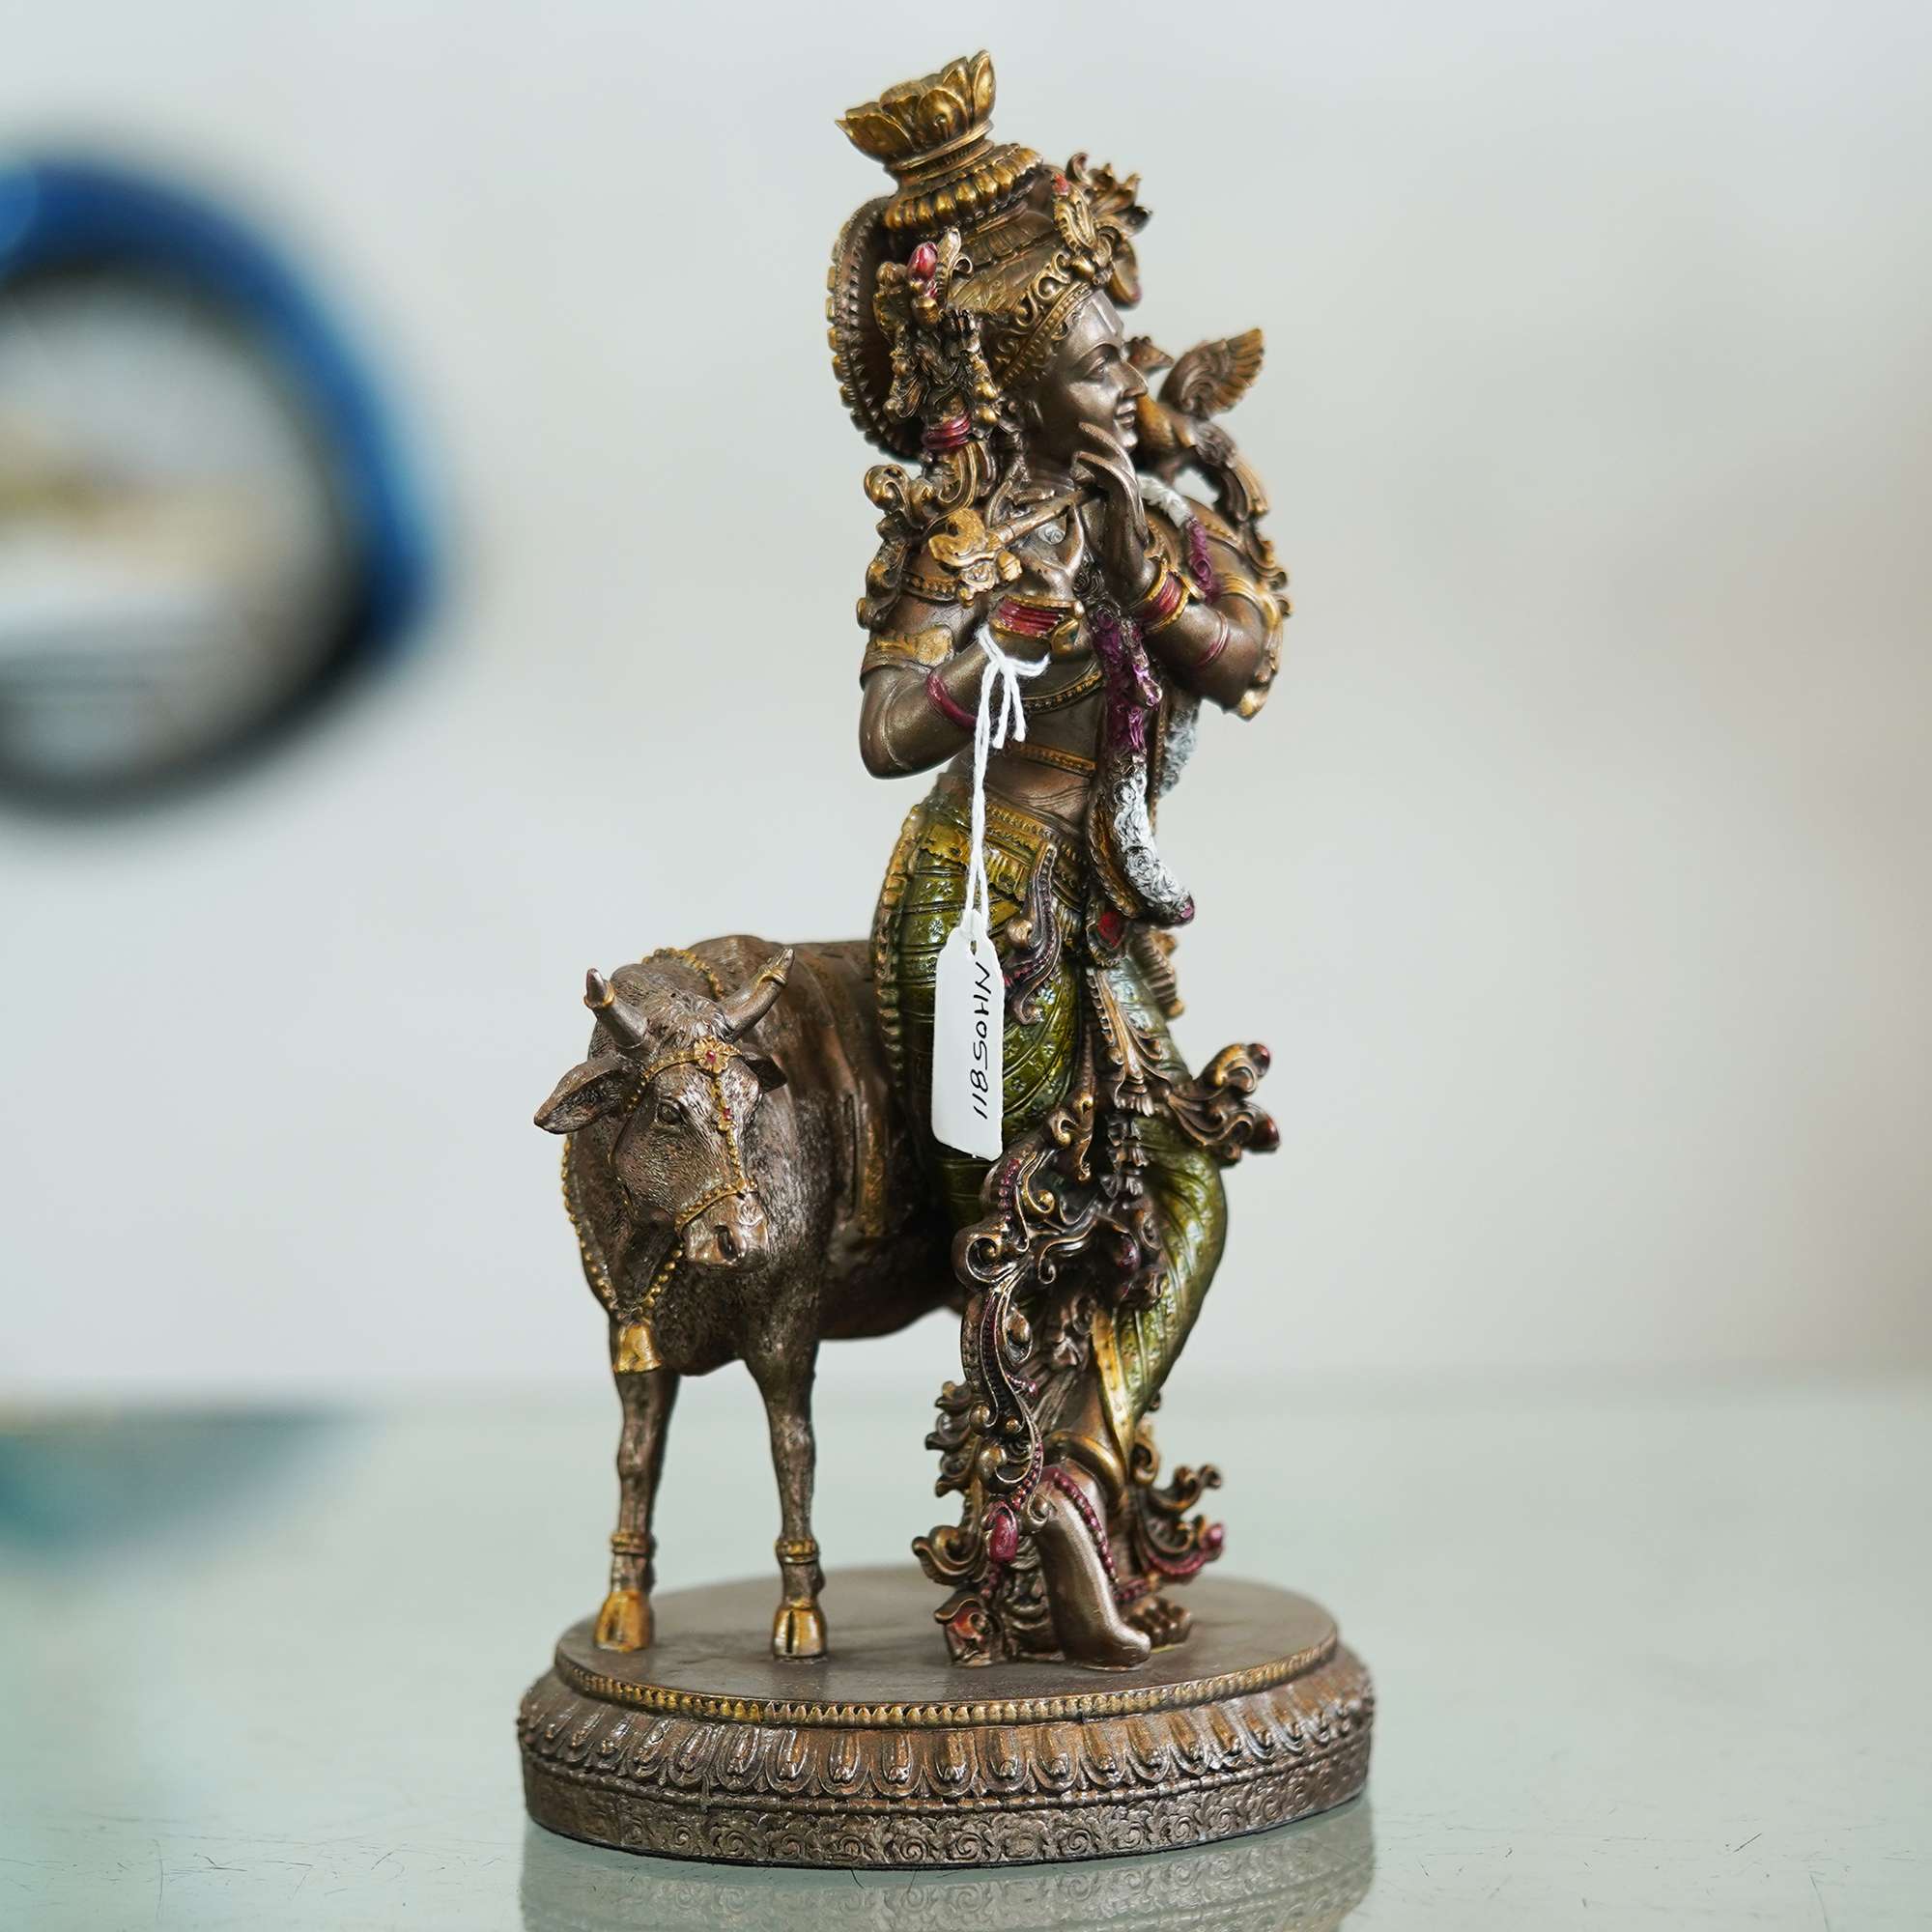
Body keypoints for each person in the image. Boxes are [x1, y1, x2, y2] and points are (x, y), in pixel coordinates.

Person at [833, 52, 1287, 1666]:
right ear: (1019, 385)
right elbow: (884, 730)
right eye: (1093, 361)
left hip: (1104, 918)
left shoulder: (1137, 519)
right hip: (985, 902)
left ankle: (1077, 1484)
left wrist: (1141, 579)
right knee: (1019, 1224)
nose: (1125, 378)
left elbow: (1248, 656)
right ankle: (1030, 1529)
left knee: (1177, 1189)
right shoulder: (966, 539)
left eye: (1119, 352)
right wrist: (989, 661)